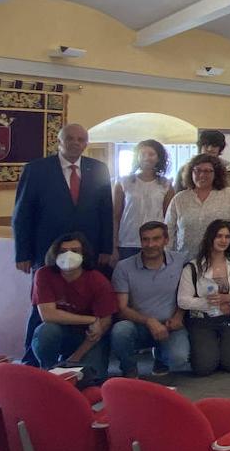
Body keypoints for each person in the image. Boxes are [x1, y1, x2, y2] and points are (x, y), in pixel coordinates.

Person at [13, 123, 114, 275]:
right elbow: (22, 214)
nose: (75, 143)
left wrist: (106, 248)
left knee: (85, 295)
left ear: (85, 144)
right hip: (47, 248)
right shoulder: (36, 170)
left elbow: (106, 212)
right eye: (69, 138)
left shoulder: (99, 169)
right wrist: (22, 254)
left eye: (81, 140)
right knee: (47, 295)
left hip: (88, 249)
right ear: (59, 142)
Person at [30, 232, 116, 384]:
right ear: (55, 254)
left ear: (84, 254)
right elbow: (48, 315)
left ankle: (67, 367)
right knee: (45, 331)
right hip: (60, 331)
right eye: (63, 251)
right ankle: (48, 372)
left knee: (91, 378)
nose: (68, 255)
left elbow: (102, 324)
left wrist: (74, 358)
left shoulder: (98, 281)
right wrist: (91, 319)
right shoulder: (43, 274)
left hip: (89, 338)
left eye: (75, 251)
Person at [177, 219, 230, 376]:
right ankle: (212, 349)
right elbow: (183, 300)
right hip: (203, 320)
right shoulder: (192, 267)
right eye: (219, 236)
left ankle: (225, 347)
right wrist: (212, 304)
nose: (223, 240)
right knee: (204, 367)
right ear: (210, 238)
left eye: (227, 237)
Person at [111, 222, 189, 378]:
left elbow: (189, 292)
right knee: (120, 331)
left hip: (170, 326)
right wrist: (149, 321)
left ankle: (161, 357)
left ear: (166, 240)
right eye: (145, 239)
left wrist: (179, 316)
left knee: (179, 358)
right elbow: (121, 308)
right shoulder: (123, 267)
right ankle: (129, 369)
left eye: (156, 239)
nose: (150, 244)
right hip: (138, 325)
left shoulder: (181, 261)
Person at [165, 153, 230, 257]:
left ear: (216, 174)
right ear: (191, 172)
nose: (202, 175)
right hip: (186, 261)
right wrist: (168, 259)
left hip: (221, 261)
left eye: (208, 171)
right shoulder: (179, 199)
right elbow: (169, 230)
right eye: (197, 170)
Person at [112, 139, 174, 261]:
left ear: (158, 158)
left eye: (151, 154)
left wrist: (168, 243)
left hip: (155, 242)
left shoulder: (166, 185)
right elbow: (116, 216)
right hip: (128, 241)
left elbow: (169, 218)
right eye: (143, 154)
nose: (147, 158)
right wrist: (113, 245)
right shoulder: (124, 182)